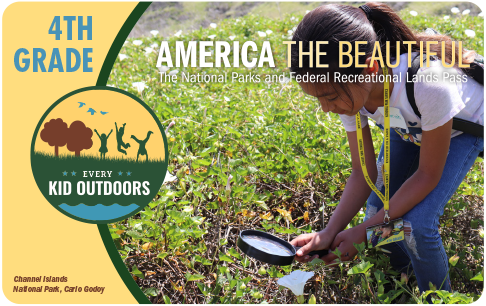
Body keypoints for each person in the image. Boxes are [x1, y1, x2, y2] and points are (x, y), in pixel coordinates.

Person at [289, 2, 484, 295]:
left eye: (328, 97)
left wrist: (364, 234)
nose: (327, 109)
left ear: (370, 67)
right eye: (318, 98)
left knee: (415, 225)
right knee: (376, 213)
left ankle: (437, 299)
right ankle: (403, 284)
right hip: (410, 126)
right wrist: (329, 232)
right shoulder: (344, 88)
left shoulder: (430, 83)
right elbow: (362, 172)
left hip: (462, 129)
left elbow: (427, 176)